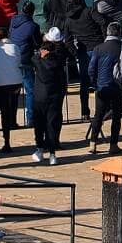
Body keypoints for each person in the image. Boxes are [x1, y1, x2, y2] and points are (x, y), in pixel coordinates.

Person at [86, 22, 122, 154]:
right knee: (116, 117)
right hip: (118, 87)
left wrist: (95, 83)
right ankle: (113, 145)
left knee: (98, 116)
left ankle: (93, 143)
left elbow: (91, 69)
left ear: (107, 33)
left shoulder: (98, 48)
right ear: (119, 33)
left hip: (102, 86)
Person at [33, 27, 70, 164]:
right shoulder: (60, 57)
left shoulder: (39, 61)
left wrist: (40, 55)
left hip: (41, 95)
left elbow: (34, 58)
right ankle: (53, 152)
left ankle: (40, 148)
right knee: (52, 122)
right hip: (56, 93)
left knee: (40, 123)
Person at [0, 26, 25, 152]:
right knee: (11, 108)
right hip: (16, 82)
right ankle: (12, 122)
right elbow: (18, 62)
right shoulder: (15, 47)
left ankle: (6, 141)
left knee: (4, 112)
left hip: (1, 83)